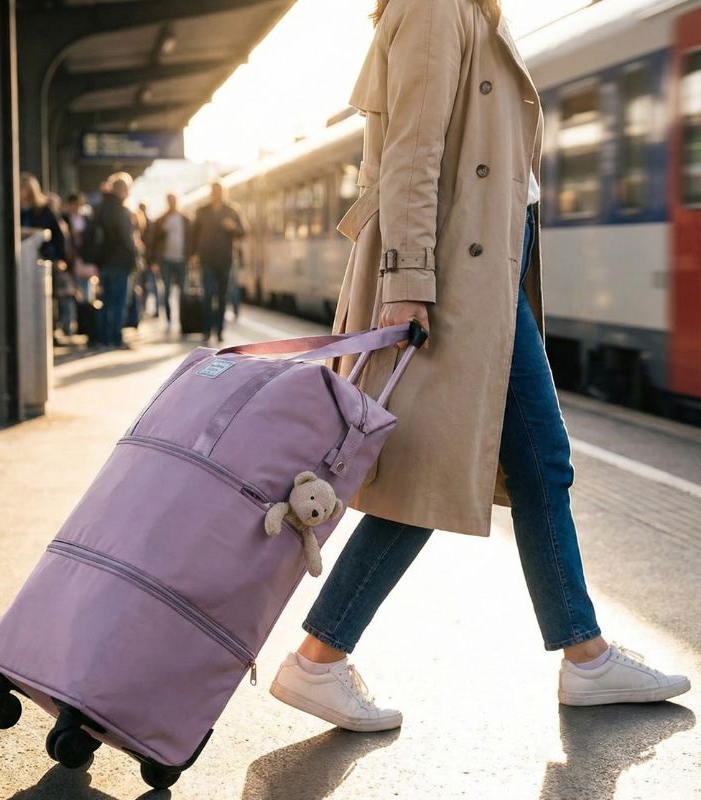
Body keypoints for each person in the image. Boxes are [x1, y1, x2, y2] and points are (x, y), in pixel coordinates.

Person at [269, 0, 690, 733]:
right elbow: (411, 154)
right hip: (458, 279)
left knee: (536, 464)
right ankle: (317, 659)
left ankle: (585, 656)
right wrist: (405, 281)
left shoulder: (468, 7)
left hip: (489, 269)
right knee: (438, 470)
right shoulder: (436, 6)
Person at [189, 182, 246, 344]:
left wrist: (233, 227)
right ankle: (206, 330)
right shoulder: (202, 211)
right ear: (211, 193)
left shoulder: (232, 210)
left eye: (220, 191)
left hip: (225, 259)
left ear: (224, 192)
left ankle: (220, 330)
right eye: (214, 191)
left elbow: (243, 232)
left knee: (222, 296)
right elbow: (193, 234)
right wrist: (193, 254)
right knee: (208, 294)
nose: (217, 194)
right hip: (206, 259)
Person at [94, 172, 137, 348]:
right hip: (120, 262)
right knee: (119, 302)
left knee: (106, 301)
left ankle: (103, 338)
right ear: (124, 191)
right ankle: (116, 338)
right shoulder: (122, 211)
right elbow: (127, 239)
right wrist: (134, 258)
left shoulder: (100, 208)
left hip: (103, 263)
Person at [148, 193, 192, 333]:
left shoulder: (185, 219)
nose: (172, 203)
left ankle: (183, 320)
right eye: (170, 201)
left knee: (183, 292)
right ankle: (168, 319)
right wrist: (153, 261)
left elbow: (192, 238)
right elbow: (154, 241)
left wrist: (192, 256)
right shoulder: (161, 220)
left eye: (174, 201)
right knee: (165, 290)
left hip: (182, 259)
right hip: (165, 259)